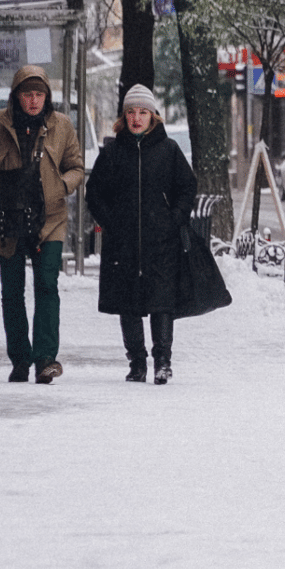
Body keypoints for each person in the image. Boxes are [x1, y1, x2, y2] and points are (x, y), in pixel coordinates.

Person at [0, 65, 86, 384]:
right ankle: (20, 358)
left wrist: (59, 187)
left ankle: (45, 359)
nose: (33, 101)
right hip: (7, 220)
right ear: (16, 96)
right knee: (12, 291)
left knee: (47, 284)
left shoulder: (61, 126)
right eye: (27, 94)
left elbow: (76, 168)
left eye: (39, 94)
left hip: (50, 219)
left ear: (48, 97)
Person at [86, 85, 197, 385]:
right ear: (124, 117)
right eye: (131, 112)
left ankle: (163, 361)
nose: (137, 118)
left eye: (143, 112)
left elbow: (187, 188)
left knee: (161, 301)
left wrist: (173, 220)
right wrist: (110, 222)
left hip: (160, 241)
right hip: (123, 243)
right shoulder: (112, 153)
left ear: (153, 117)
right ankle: (137, 362)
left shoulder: (169, 150)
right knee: (128, 302)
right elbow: (94, 193)